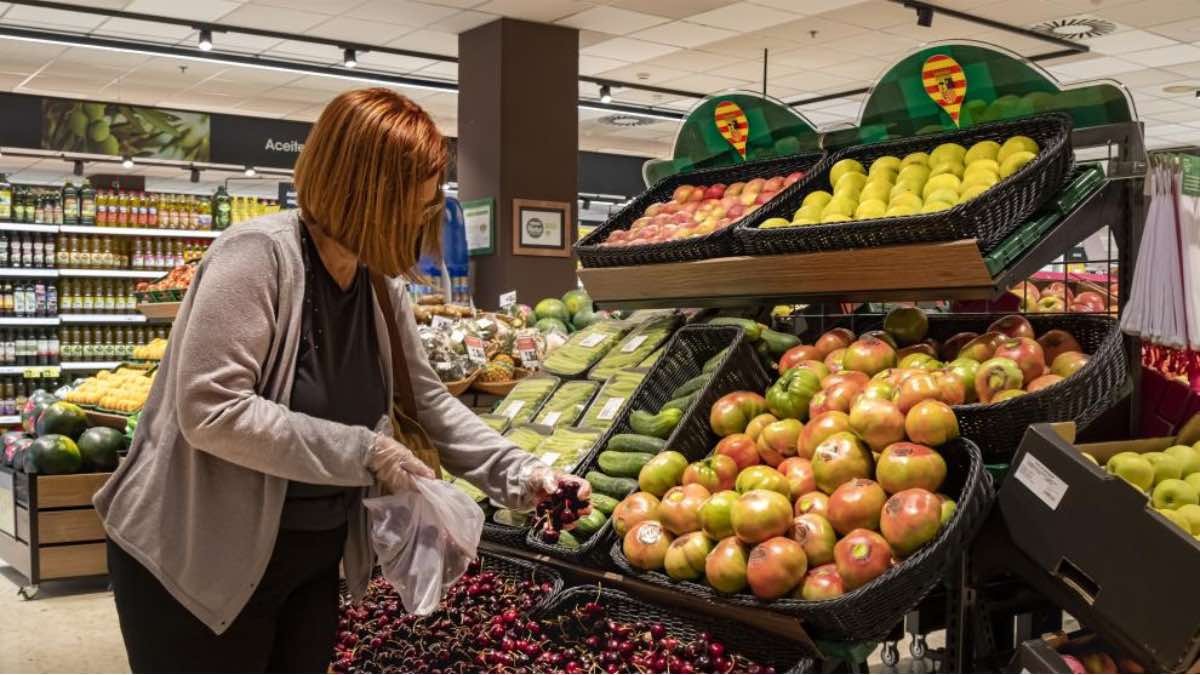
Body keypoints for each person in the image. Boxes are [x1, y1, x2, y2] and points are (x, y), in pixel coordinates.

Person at [94, 88, 588, 673]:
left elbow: (426, 401)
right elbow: (212, 409)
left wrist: (520, 472)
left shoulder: (380, 285)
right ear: (369, 194)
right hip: (195, 557)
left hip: (310, 559)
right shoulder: (256, 256)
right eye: (418, 205)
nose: (423, 220)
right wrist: (363, 450)